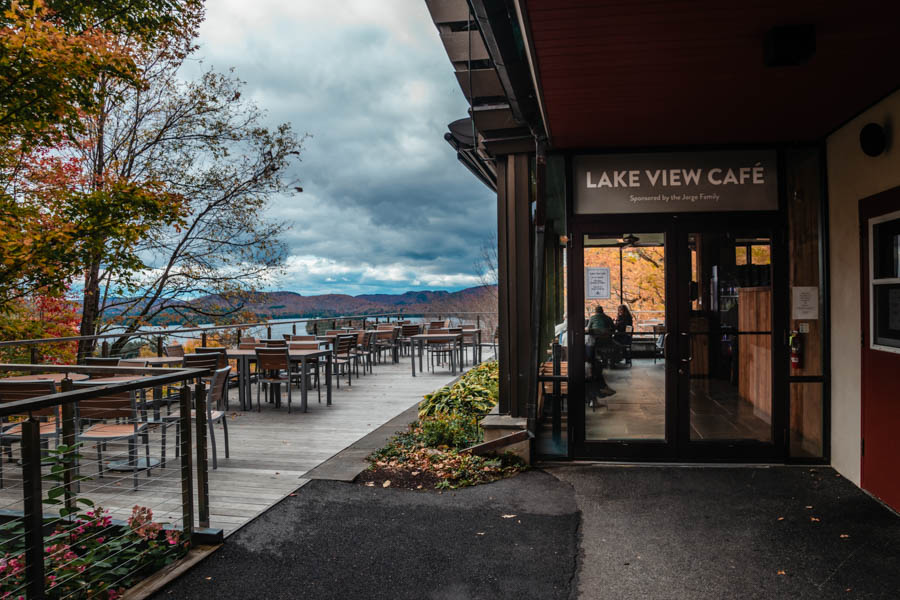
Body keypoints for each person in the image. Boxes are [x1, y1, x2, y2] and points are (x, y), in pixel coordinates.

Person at [586, 305, 615, 395]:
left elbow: (588, 328)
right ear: (602, 311)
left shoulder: (592, 317)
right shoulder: (608, 318)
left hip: (595, 342)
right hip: (606, 341)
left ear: (595, 311)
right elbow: (613, 328)